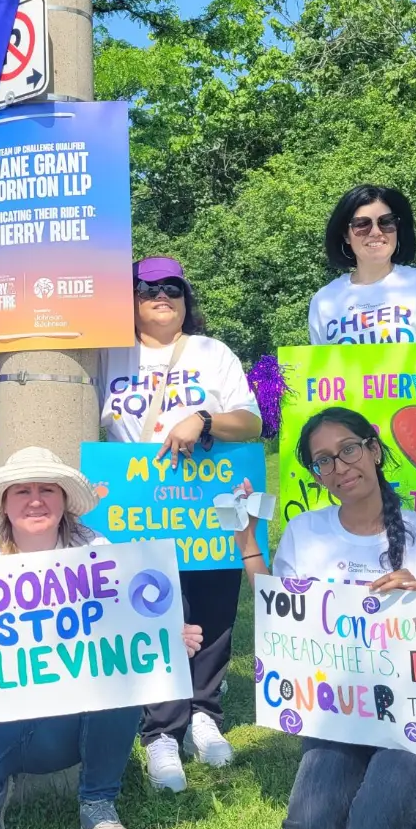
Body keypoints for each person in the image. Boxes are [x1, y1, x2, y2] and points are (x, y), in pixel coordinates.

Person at [0, 447, 203, 829]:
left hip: (68, 728)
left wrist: (171, 642)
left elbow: (130, 629)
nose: (36, 500)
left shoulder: (96, 548)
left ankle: (99, 801)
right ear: (4, 503)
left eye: (47, 490)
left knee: (117, 674)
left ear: (65, 499)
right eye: (22, 491)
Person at [235, 406, 416, 829]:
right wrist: (248, 541)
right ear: (318, 475)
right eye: (324, 461)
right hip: (337, 715)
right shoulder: (304, 533)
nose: (340, 468)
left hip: (413, 720)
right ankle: (363, 777)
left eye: (349, 450)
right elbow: (279, 614)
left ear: (374, 450)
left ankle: (398, 784)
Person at [98, 256, 263, 793]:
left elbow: (253, 420)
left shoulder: (214, 354)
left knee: (213, 604)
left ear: (187, 297)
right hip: (137, 506)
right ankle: (160, 729)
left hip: (207, 497)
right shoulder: (106, 354)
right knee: (153, 605)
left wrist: (204, 418)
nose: (159, 296)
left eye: (171, 287)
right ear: (130, 299)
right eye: (146, 288)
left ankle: (204, 712)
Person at [309, 185, 416, 345]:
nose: (376, 232)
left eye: (386, 222)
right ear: (346, 235)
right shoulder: (323, 301)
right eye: (361, 224)